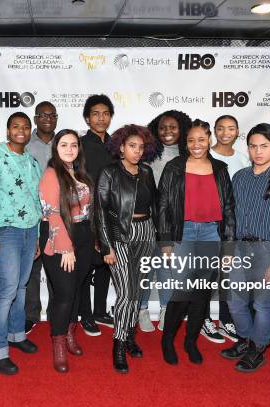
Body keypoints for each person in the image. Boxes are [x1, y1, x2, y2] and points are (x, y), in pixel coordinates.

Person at [221, 123, 270, 372]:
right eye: (253, 146)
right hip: (240, 248)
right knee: (235, 302)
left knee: (263, 305)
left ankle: (258, 348)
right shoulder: (240, 177)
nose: (258, 151)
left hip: (268, 251)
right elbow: (230, 217)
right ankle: (245, 340)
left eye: (264, 146)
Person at [158, 119, 236, 366]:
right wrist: (166, 242)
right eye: (191, 140)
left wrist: (229, 245)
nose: (196, 144)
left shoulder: (221, 169)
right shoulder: (174, 167)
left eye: (201, 139)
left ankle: (190, 341)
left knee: (202, 292)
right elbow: (162, 206)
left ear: (209, 140)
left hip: (212, 234)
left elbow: (230, 209)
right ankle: (167, 340)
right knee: (182, 291)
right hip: (184, 233)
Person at [0, 112, 42, 375]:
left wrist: (37, 235)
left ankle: (16, 334)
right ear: (7, 131)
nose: (21, 130)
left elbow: (36, 202)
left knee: (21, 287)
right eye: (16, 126)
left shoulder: (32, 161)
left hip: (29, 232)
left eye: (26, 127)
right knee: (6, 290)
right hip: (5, 232)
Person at [96, 124, 158, 373]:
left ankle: (130, 336)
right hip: (120, 235)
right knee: (126, 294)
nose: (137, 151)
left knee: (138, 291)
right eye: (132, 146)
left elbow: (154, 205)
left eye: (141, 147)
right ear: (121, 147)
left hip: (146, 232)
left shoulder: (146, 172)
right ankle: (119, 345)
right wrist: (106, 246)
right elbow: (100, 212)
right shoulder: (109, 173)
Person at [39, 129, 94, 372]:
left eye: (74, 145)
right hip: (60, 238)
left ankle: (71, 334)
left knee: (77, 290)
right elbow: (52, 214)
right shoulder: (52, 174)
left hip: (83, 237)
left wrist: (92, 240)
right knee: (64, 294)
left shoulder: (79, 172)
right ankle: (59, 344)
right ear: (55, 148)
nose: (69, 149)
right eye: (64, 144)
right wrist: (66, 248)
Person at [198, 114, 250, 344]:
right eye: (221, 128)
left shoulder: (243, 159)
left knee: (227, 275)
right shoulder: (205, 158)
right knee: (206, 274)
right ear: (214, 132)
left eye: (231, 128)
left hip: (233, 225)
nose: (226, 133)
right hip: (208, 224)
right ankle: (203, 318)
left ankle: (227, 319)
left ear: (237, 132)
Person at [140, 110, 191, 332]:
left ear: (182, 129)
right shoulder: (147, 153)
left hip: (173, 223)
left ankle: (165, 309)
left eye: (172, 127)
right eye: (162, 127)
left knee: (166, 267)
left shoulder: (189, 154)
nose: (167, 131)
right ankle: (141, 309)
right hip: (147, 219)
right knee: (145, 267)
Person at [79, 94, 116, 336]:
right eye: (95, 114)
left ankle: (101, 310)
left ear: (111, 117)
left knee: (106, 263)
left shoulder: (118, 144)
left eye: (105, 113)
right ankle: (86, 313)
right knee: (85, 266)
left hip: (113, 214)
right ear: (87, 118)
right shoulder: (80, 145)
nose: (101, 118)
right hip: (87, 214)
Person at [25, 101, 59, 333]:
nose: (48, 118)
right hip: (34, 214)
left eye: (52, 115)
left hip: (59, 215)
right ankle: (31, 314)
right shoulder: (24, 144)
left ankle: (58, 312)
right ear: (35, 119)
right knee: (32, 267)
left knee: (58, 267)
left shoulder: (65, 143)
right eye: (42, 115)